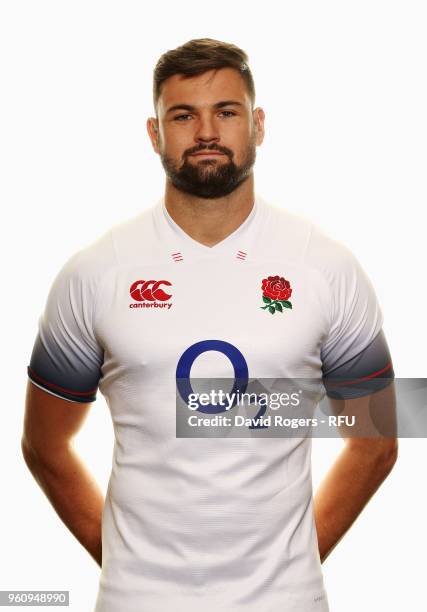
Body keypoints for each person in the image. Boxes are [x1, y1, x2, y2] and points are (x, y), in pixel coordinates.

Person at [22, 38, 398, 612]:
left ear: (259, 124)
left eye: (226, 112)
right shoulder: (96, 272)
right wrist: (127, 564)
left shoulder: (325, 267)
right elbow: (45, 443)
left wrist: (290, 567)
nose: (206, 131)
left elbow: (375, 441)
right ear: (154, 134)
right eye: (183, 115)